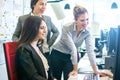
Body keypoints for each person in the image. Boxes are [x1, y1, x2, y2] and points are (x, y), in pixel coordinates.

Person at [50, 5, 111, 80]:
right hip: (57, 54)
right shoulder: (66, 28)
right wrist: (75, 69)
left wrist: (96, 70)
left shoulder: (88, 31)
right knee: (56, 78)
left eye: (87, 19)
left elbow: (90, 51)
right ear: (75, 20)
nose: (86, 22)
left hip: (70, 57)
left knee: (70, 77)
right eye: (82, 20)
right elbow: (73, 49)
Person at [15, 16, 56, 80]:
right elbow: (33, 76)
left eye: (46, 28)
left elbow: (46, 70)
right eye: (42, 28)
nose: (45, 31)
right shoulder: (24, 50)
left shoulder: (38, 47)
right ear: (32, 29)